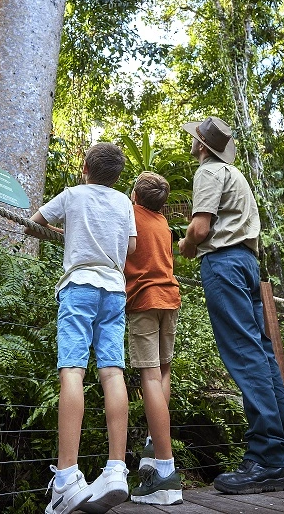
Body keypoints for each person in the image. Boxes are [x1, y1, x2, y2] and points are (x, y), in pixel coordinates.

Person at [177, 117, 284, 494]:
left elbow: (200, 230)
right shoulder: (236, 175)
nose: (194, 144)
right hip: (248, 264)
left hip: (223, 265)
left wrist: (184, 247)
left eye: (195, 140)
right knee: (261, 357)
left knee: (245, 356)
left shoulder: (209, 172)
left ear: (202, 145)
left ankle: (266, 460)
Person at [27, 143, 137, 514]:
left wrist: (71, 231)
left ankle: (67, 477)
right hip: (114, 291)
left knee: (73, 370)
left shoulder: (72, 195)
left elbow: (35, 223)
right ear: (117, 175)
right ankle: (116, 470)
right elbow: (132, 246)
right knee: (112, 373)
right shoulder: (124, 203)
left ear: (86, 167)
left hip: (79, 289)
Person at [123, 172, 183, 506]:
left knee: (148, 374)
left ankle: (165, 472)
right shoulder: (164, 223)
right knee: (163, 371)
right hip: (169, 299)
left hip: (145, 301)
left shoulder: (130, 214)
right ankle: (152, 439)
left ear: (135, 195)